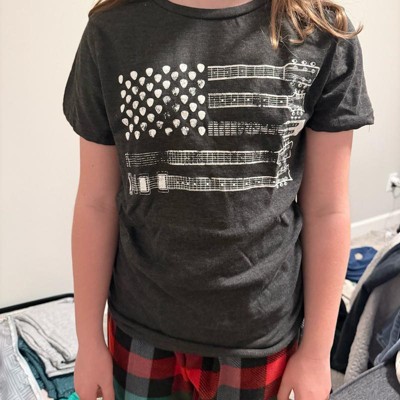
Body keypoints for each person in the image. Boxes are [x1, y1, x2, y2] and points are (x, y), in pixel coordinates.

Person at [62, 0, 374, 399]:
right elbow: (97, 202)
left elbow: (327, 210)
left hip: (261, 334)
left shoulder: (322, 32)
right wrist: (88, 340)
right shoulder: (112, 31)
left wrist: (316, 352)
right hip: (140, 326)